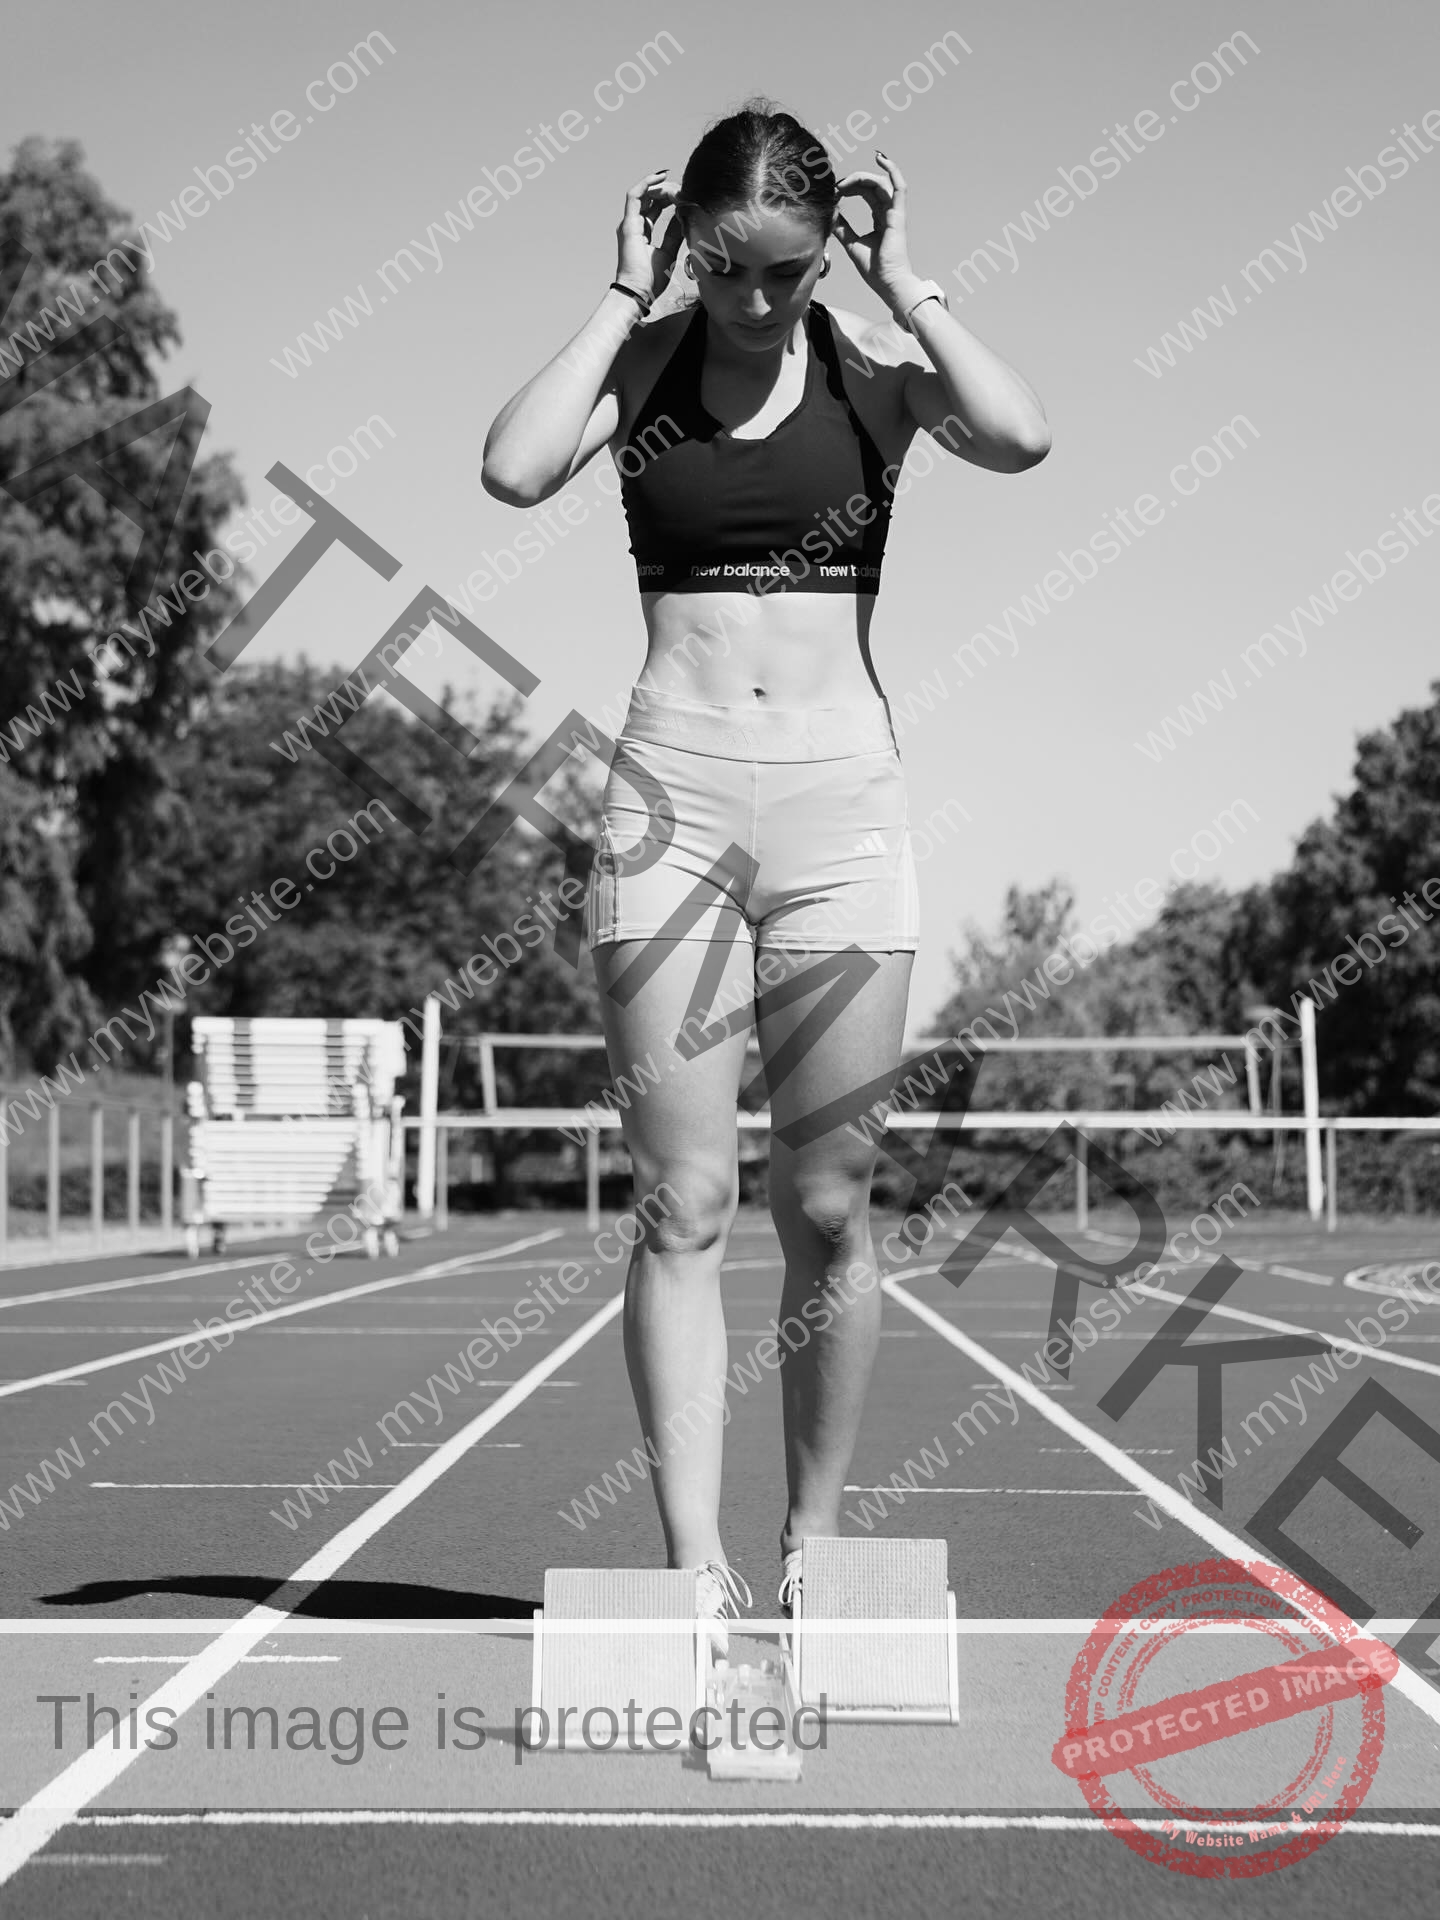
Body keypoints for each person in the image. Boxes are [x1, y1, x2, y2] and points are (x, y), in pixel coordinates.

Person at [481, 98, 1048, 1648]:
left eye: (784, 273)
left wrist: (905, 277)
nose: (750, 302)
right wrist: (618, 293)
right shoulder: (650, 362)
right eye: (723, 268)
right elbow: (512, 470)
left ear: (823, 259)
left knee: (829, 1197)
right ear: (688, 247)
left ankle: (813, 1539)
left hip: (839, 814)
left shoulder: (871, 376)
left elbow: (1020, 433)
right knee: (680, 1198)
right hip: (667, 807)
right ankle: (687, 1573)